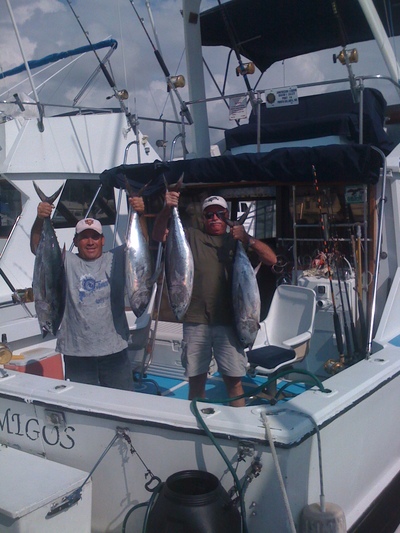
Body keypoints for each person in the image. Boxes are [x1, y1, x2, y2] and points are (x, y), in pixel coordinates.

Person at [153, 193, 277, 406]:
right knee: (196, 380)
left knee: (233, 381)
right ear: (203, 218)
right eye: (209, 215)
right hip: (195, 321)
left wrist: (247, 239)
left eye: (220, 214)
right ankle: (197, 421)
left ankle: (239, 422)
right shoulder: (191, 236)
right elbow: (157, 235)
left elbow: (271, 259)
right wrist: (167, 208)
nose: (215, 218)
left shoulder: (236, 240)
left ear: (226, 215)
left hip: (230, 323)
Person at [30, 196, 145, 390]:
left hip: (115, 351)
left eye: (95, 237)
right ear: (76, 241)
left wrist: (139, 214)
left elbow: (142, 246)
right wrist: (41, 219)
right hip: (77, 353)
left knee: (121, 402)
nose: (90, 242)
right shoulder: (65, 262)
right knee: (82, 403)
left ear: (103, 240)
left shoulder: (117, 258)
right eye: (84, 237)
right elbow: (37, 246)